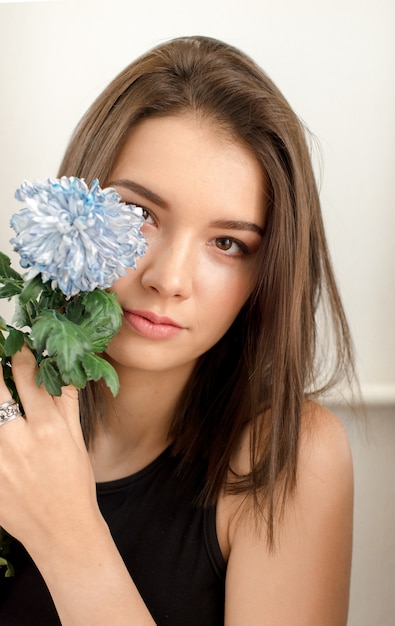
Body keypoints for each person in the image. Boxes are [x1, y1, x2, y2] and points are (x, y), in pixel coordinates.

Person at [0, 36, 355, 625]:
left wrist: (70, 541)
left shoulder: (290, 456)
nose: (168, 279)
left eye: (227, 244)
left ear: (266, 275)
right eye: (140, 215)